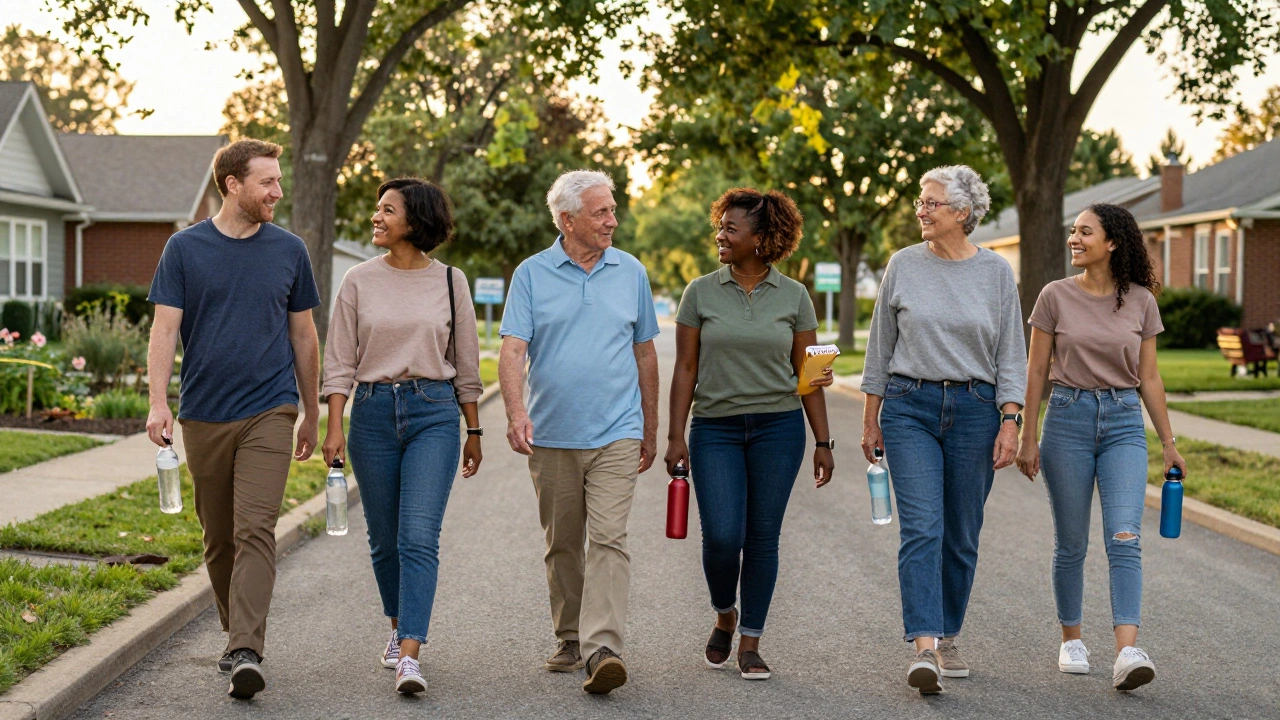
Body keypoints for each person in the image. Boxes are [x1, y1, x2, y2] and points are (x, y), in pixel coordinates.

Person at [145, 138, 321, 700]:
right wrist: (157, 402)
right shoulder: (184, 249)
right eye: (267, 182)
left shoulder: (289, 250)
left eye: (278, 180)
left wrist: (312, 410)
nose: (277, 191)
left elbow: (304, 335)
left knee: (254, 529)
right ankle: (233, 633)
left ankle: (247, 648)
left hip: (270, 408)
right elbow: (165, 330)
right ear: (233, 185)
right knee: (219, 538)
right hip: (203, 413)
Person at [859, 165, 1027, 695]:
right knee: (923, 528)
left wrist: (1010, 419)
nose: (921, 210)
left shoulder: (996, 272)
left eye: (931, 203)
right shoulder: (902, 265)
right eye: (920, 201)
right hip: (910, 405)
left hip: (977, 409)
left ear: (962, 213)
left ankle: (948, 631)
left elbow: (1010, 354)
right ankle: (925, 647)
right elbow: (879, 348)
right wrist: (871, 416)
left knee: (961, 534)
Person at [498, 169, 660, 695]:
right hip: (552, 434)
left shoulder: (630, 272)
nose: (613, 220)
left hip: (617, 430)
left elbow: (644, 351)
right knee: (563, 542)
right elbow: (513, 349)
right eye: (601, 212)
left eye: (612, 210)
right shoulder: (531, 274)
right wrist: (516, 412)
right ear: (567, 220)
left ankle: (603, 647)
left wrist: (650, 427)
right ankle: (570, 638)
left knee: (609, 539)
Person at [321, 177, 484, 695]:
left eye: (387, 210)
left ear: (414, 220)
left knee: (418, 535)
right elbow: (340, 360)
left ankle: (410, 653)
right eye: (377, 209)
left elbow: (465, 362)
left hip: (433, 412)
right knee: (384, 539)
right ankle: (396, 626)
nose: (377, 217)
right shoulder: (357, 281)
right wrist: (334, 425)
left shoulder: (451, 281)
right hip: (370, 414)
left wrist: (474, 428)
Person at [664, 188, 835, 681]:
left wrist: (823, 441)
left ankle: (752, 640)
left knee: (762, 537)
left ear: (761, 239)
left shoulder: (795, 296)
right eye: (720, 226)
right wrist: (676, 436)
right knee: (721, 536)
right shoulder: (700, 291)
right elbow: (686, 368)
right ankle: (724, 614)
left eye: (730, 228)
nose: (720, 234)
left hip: (778, 429)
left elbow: (808, 374)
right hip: (715, 428)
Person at [1016, 203, 1185, 692]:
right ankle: (1072, 639)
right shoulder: (1053, 297)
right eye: (1072, 231)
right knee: (1071, 542)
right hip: (1066, 420)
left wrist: (1168, 444)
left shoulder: (1140, 301)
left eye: (1084, 232)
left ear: (1111, 242)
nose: (1074, 238)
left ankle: (1127, 652)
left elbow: (1150, 377)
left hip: (1124, 424)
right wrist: (1028, 434)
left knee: (1125, 536)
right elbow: (1035, 370)